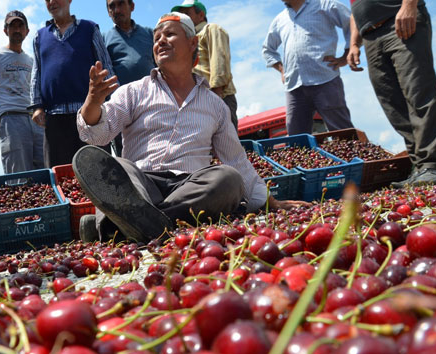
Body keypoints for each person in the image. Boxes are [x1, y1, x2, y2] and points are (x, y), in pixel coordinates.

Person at [74, 12, 308, 243]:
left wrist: (271, 203)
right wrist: (92, 102)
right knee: (116, 167)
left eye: (169, 35)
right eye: (156, 38)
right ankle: (145, 220)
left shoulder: (215, 105)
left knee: (228, 178)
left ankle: (130, 223)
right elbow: (96, 135)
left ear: (193, 42)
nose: (160, 41)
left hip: (189, 190)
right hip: (141, 185)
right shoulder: (133, 92)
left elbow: (236, 160)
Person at [347, 0, 436, 186]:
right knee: (392, 104)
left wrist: (409, 5)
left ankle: (433, 164)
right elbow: (354, 10)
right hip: (370, 36)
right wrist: (354, 43)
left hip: (399, 20)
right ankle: (420, 167)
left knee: (418, 92)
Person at [30, 0, 114, 168]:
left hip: (90, 115)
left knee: (97, 172)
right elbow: (36, 73)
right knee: (59, 175)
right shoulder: (40, 36)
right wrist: (37, 106)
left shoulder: (90, 29)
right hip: (54, 118)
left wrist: (111, 101)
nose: (52, 2)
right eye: (47, 0)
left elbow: (105, 65)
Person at [262, 0, 354, 135]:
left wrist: (347, 53)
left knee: (342, 132)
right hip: (294, 87)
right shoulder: (280, 19)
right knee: (296, 138)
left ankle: (353, 156)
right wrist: (282, 69)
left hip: (325, 80)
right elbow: (267, 49)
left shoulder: (325, 5)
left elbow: (352, 22)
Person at [0, 10, 44, 174]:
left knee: (43, 170)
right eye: (12, 26)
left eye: (20, 26)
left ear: (27, 31)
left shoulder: (32, 60)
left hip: (35, 119)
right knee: (18, 173)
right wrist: (2, 111)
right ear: (6, 30)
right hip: (11, 118)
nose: (17, 30)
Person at [172, 0, 239, 129]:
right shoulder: (188, 41)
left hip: (218, 97)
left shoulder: (210, 29)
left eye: (187, 13)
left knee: (225, 145)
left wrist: (216, 95)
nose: (183, 18)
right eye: (181, 15)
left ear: (201, 15)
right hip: (200, 101)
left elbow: (219, 60)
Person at [104, 0, 155, 155]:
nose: (116, 10)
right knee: (126, 156)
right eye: (111, 6)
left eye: (120, 4)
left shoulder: (150, 34)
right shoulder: (104, 38)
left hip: (151, 103)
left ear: (132, 6)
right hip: (122, 108)